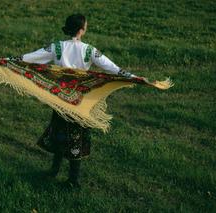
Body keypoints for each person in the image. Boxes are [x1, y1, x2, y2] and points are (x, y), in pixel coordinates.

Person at [17, 14, 143, 188]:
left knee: (60, 133)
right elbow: (113, 68)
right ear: (81, 30)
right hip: (79, 103)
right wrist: (135, 77)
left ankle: (54, 171)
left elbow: (30, 58)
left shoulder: (56, 47)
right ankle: (73, 180)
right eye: (86, 25)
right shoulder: (89, 50)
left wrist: (8, 60)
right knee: (76, 138)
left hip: (60, 100)